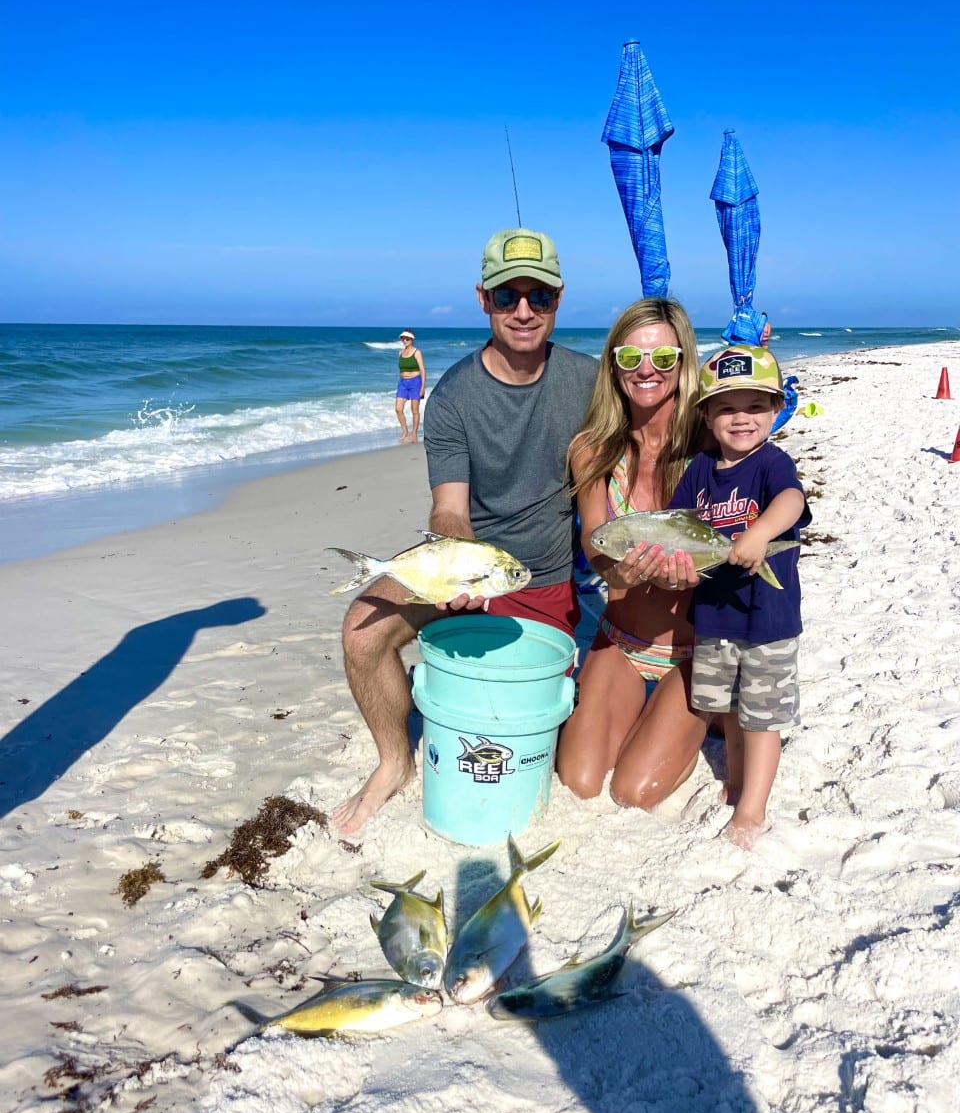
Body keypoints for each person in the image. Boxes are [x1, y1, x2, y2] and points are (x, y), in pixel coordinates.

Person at [332, 228, 598, 834]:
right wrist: (459, 565)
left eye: (539, 296)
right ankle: (394, 761)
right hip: (466, 572)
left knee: (514, 712)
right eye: (508, 297)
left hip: (545, 576)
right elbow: (449, 509)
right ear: (483, 299)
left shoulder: (588, 382)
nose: (524, 311)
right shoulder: (451, 396)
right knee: (360, 635)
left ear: (559, 299)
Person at [557, 298, 709, 810]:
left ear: (684, 362)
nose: (647, 370)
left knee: (632, 792)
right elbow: (593, 541)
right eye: (631, 358)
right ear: (613, 364)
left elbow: (742, 547)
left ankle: (701, 719)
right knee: (579, 781)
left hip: (695, 655)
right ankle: (649, 720)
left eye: (664, 359)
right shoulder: (593, 449)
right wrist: (613, 567)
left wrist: (700, 579)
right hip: (620, 641)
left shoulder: (711, 447)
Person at [670, 344, 810, 849]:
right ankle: (735, 779)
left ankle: (753, 809)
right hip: (714, 615)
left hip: (767, 619)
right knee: (727, 708)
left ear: (776, 411)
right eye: (727, 407)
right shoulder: (698, 471)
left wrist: (759, 533)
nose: (741, 418)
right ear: (706, 415)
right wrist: (670, 567)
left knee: (762, 715)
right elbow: (677, 525)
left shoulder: (772, 464)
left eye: (755, 406)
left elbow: (793, 500)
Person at [395, 330, 426, 443]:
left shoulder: (417, 352)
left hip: (415, 382)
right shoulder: (400, 353)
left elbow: (422, 370)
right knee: (398, 409)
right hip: (403, 383)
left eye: (407, 339)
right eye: (403, 338)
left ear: (412, 339)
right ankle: (405, 432)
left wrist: (422, 387)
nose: (405, 340)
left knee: (414, 410)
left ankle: (414, 434)